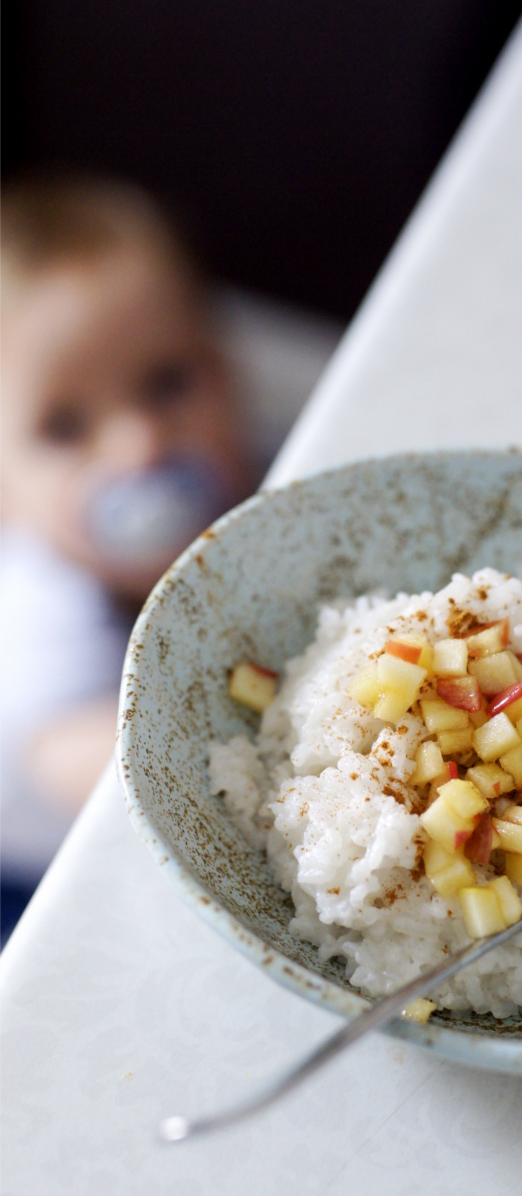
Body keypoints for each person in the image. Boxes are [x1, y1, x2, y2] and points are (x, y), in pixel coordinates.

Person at [1, 175, 256, 939]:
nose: (140, 444)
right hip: (44, 853)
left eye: (168, 382)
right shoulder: (37, 615)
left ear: (225, 368)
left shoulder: (244, 483)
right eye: (65, 426)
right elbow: (123, 781)